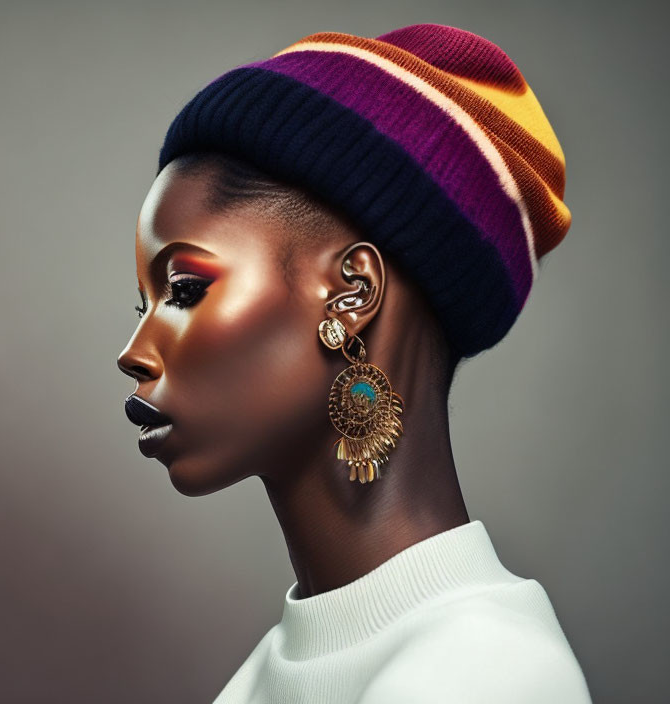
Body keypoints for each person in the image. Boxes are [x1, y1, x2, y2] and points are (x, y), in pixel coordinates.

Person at [116, 23, 592, 703]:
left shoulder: (487, 675)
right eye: (143, 305)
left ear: (353, 292)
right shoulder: (268, 675)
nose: (134, 353)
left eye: (185, 290)